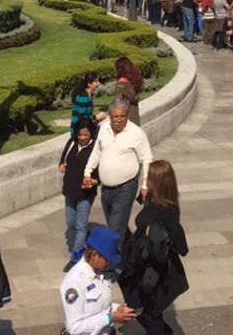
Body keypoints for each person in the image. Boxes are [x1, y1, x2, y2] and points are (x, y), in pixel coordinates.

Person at [119, 160, 189, 335]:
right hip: (139, 263)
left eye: (149, 177)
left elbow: (182, 247)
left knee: (150, 314)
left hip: (154, 271)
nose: (146, 179)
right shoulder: (151, 199)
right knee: (143, 310)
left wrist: (157, 234)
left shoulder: (168, 211)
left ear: (158, 181)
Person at [83, 100, 153, 239]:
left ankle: (113, 260)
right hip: (106, 190)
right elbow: (97, 151)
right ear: (110, 116)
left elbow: (147, 159)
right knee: (116, 227)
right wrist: (87, 172)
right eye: (116, 116)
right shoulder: (104, 128)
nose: (120, 120)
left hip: (125, 188)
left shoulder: (136, 133)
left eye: (123, 116)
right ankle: (129, 254)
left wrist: (145, 185)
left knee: (114, 233)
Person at [60, 226, 137, 334]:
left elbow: (98, 306)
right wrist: (110, 318)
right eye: (107, 260)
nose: (109, 264)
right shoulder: (74, 281)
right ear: (94, 255)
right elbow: (75, 327)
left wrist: (117, 308)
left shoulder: (99, 271)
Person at [60, 117, 99, 265]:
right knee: (71, 223)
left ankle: (76, 256)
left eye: (85, 135)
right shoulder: (71, 143)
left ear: (91, 134)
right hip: (70, 190)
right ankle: (85, 237)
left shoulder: (96, 148)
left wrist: (93, 182)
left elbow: (100, 175)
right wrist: (61, 166)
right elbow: (63, 159)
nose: (82, 138)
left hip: (85, 194)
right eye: (80, 134)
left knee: (81, 225)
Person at [113, 57, 145, 127]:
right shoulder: (134, 81)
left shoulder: (121, 85)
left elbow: (117, 104)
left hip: (124, 122)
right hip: (135, 120)